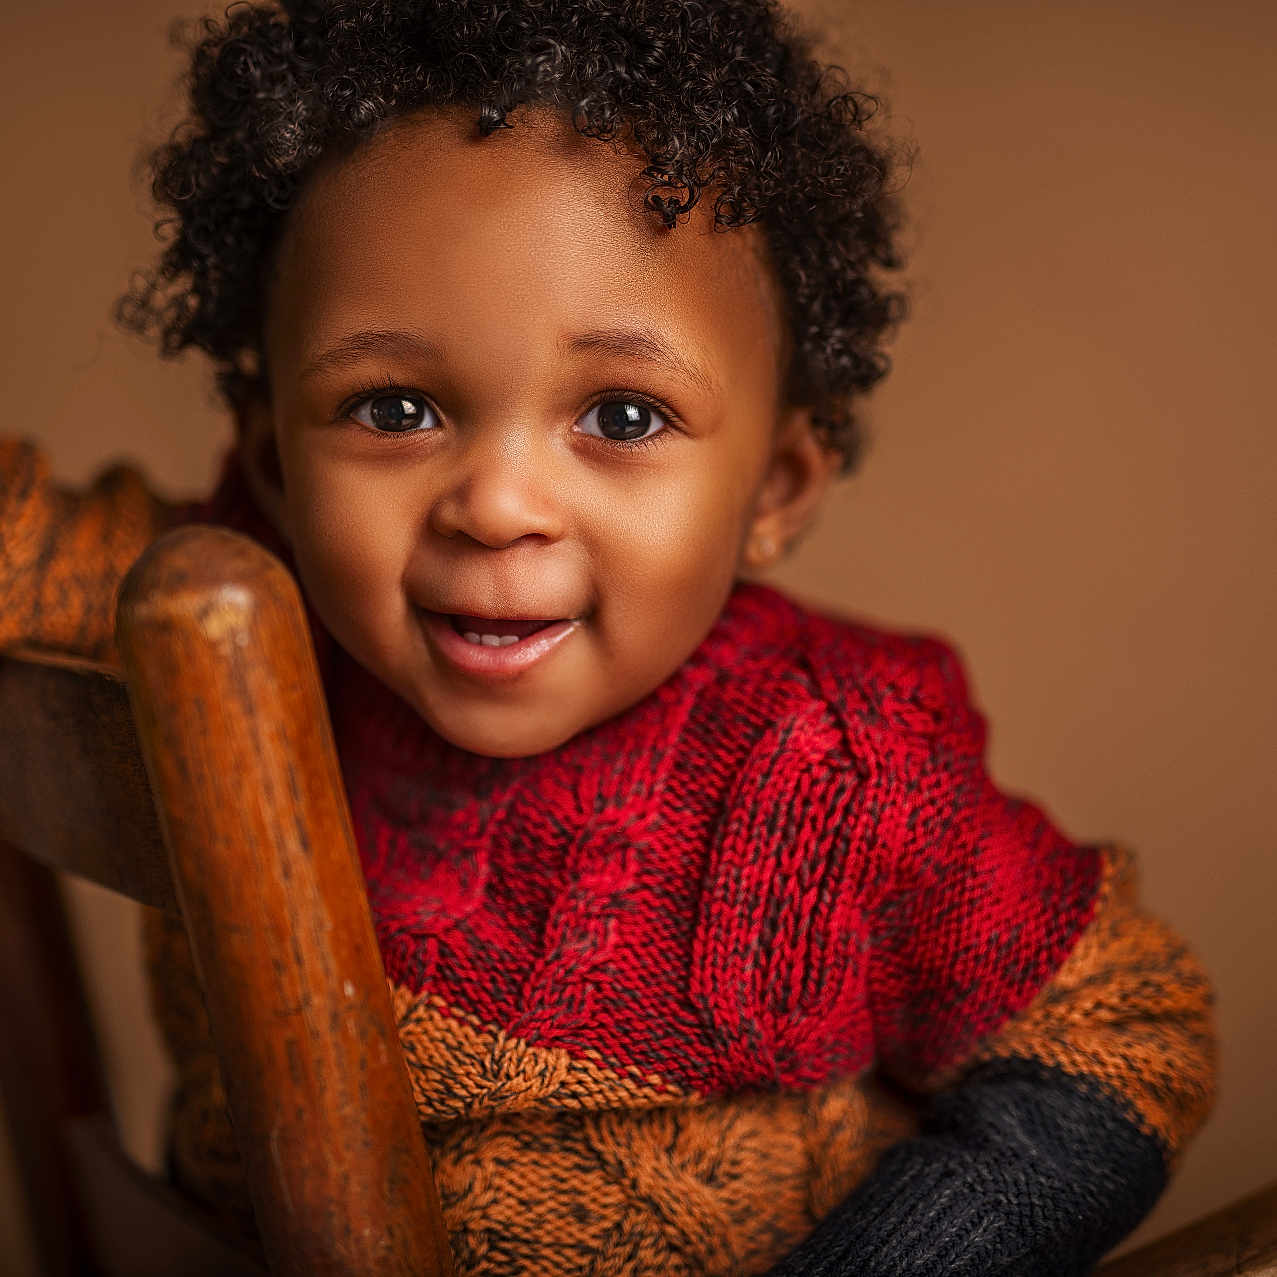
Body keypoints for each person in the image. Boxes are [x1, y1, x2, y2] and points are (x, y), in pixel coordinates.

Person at [0, 0, 1217, 1272]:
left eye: (624, 416)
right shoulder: (224, 593)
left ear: (775, 491)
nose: (496, 503)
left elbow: (1117, 1027)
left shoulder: (831, 769)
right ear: (273, 459)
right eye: (394, 405)